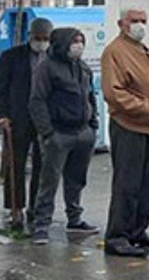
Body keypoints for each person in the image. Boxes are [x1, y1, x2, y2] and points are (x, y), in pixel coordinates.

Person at [101, 8, 149, 257]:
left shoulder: (141, 50)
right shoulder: (115, 51)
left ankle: (137, 231)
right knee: (127, 184)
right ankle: (118, 235)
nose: (140, 25)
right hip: (130, 126)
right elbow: (114, 93)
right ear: (122, 23)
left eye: (143, 20)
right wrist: (147, 110)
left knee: (148, 183)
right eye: (134, 21)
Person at [27, 28, 99, 245]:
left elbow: (89, 96)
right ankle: (41, 225)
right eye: (74, 41)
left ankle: (74, 218)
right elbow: (37, 101)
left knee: (77, 179)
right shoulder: (46, 68)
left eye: (80, 41)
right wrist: (47, 132)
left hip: (83, 132)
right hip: (58, 133)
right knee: (49, 181)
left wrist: (93, 123)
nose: (78, 45)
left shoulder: (83, 68)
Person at [0, 17, 53, 229]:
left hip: (44, 120)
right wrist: (2, 114)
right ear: (30, 36)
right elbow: (1, 87)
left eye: (45, 39)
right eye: (38, 38)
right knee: (15, 165)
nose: (41, 42)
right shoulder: (12, 56)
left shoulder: (54, 57)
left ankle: (36, 208)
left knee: (42, 166)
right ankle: (15, 208)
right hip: (18, 118)